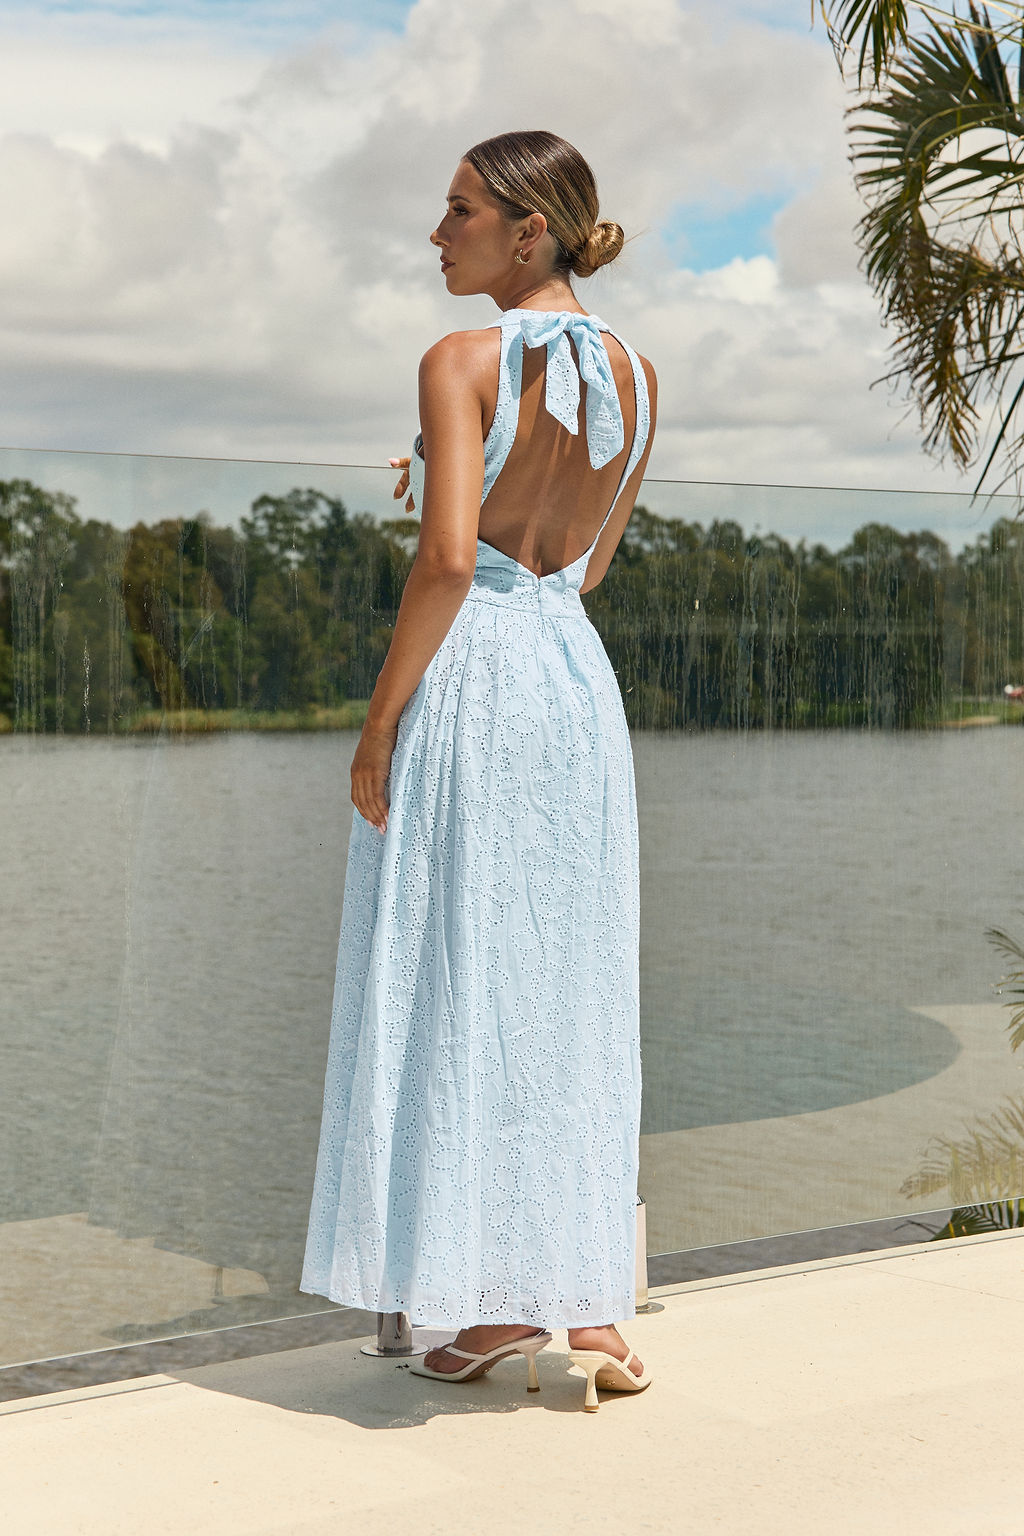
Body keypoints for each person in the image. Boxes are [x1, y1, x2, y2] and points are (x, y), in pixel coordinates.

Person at [300, 129, 657, 1412]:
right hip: (572, 686)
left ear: (527, 230)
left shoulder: (458, 361)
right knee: (567, 982)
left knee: (460, 971)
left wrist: (378, 723)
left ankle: (490, 1305)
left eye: (458, 210)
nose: (435, 232)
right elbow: (588, 565)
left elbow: (451, 562)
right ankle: (590, 1307)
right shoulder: (638, 374)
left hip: (476, 683)